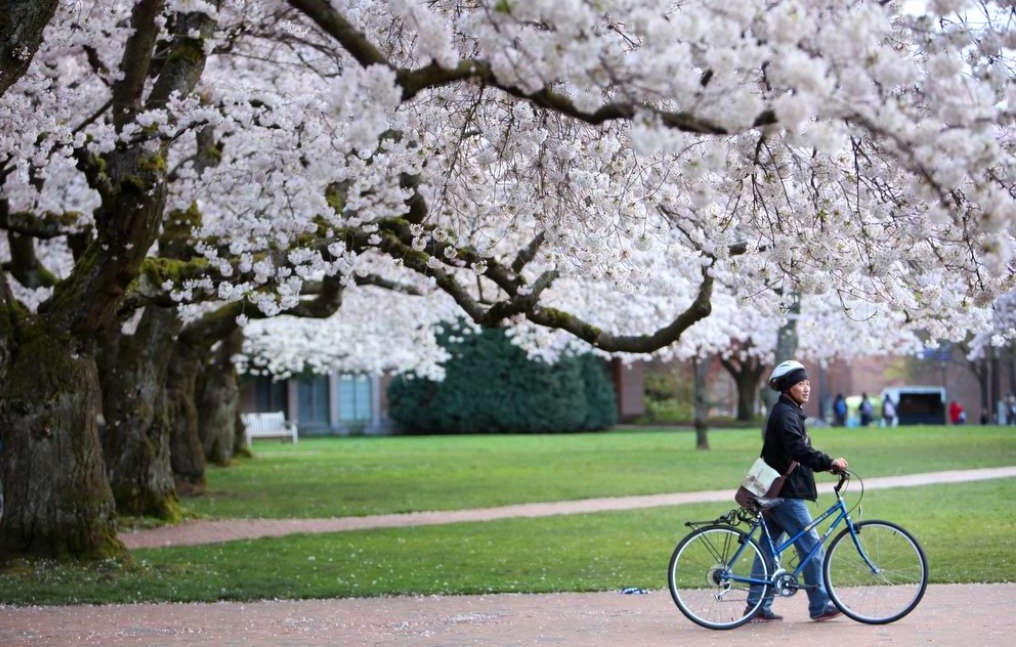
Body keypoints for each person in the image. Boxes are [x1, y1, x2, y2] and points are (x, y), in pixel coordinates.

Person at [745, 360, 848, 623]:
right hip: (785, 495)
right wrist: (828, 463)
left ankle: (757, 606)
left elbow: (796, 451)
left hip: (775, 492)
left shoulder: (790, 412)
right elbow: (797, 450)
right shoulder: (785, 414)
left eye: (808, 383)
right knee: (812, 547)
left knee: (767, 551)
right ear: (788, 388)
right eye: (800, 384)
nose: (806, 388)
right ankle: (820, 605)